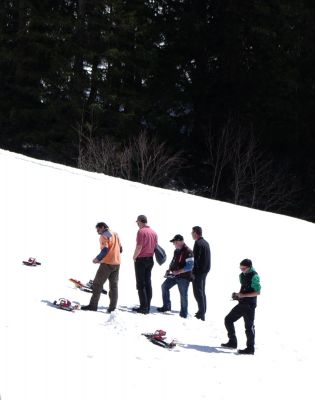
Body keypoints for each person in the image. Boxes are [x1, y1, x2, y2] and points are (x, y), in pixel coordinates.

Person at [221, 259, 261, 355]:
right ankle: (233, 342)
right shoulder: (242, 275)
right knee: (229, 320)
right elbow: (244, 288)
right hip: (243, 303)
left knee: (248, 326)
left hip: (250, 305)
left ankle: (249, 348)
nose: (242, 270)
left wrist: (243, 296)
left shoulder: (254, 276)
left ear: (249, 267)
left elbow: (257, 292)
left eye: (243, 268)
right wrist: (238, 295)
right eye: (240, 268)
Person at [81, 222, 122, 312]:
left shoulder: (104, 236)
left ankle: (93, 306)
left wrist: (97, 259)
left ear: (103, 227)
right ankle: (112, 308)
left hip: (107, 264)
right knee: (114, 286)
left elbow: (105, 250)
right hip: (117, 263)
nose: (97, 231)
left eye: (98, 229)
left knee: (97, 284)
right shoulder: (115, 233)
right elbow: (121, 248)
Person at [157, 234, 194, 318]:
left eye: (175, 242)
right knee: (164, 286)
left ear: (181, 241)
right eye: (173, 242)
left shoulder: (188, 252)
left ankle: (183, 314)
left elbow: (189, 266)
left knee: (183, 295)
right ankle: (166, 307)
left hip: (184, 277)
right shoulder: (176, 251)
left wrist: (178, 272)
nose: (174, 244)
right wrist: (169, 269)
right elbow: (173, 261)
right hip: (174, 276)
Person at [132, 215, 158, 314]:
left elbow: (139, 246)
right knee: (148, 282)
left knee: (140, 284)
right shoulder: (154, 232)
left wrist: (134, 257)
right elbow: (155, 246)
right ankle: (147, 305)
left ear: (140, 221)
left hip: (141, 260)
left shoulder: (141, 231)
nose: (137, 224)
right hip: (150, 259)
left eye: (137, 222)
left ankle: (143, 307)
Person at [191, 226, 211, 321]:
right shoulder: (205, 243)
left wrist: (192, 271)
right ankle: (201, 312)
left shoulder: (198, 243)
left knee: (198, 293)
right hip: (204, 271)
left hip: (199, 272)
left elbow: (196, 259)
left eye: (192, 232)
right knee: (202, 292)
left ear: (196, 233)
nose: (191, 234)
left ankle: (201, 314)